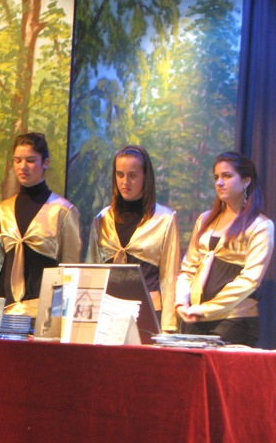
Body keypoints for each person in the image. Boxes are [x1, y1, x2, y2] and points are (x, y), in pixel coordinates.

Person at [176, 151, 274, 345]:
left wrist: (207, 309)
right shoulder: (205, 219)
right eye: (216, 177)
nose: (219, 183)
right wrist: (182, 301)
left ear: (246, 181)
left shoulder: (260, 225)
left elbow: (250, 279)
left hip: (234, 319)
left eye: (227, 176)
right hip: (194, 317)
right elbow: (188, 268)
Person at [86, 145, 181, 332]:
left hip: (147, 313)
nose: (125, 182)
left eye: (132, 175)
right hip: (107, 314)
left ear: (145, 177)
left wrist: (168, 327)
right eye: (120, 175)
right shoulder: (102, 219)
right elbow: (91, 271)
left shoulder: (164, 219)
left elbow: (170, 276)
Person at [0, 132, 81, 317]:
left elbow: (71, 267)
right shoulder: (3, 209)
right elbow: (1, 261)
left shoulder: (62, 210)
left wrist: (61, 314)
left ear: (45, 162)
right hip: (5, 307)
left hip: (44, 310)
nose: (23, 166)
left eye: (31, 160)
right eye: (17, 160)